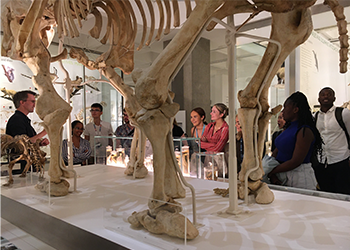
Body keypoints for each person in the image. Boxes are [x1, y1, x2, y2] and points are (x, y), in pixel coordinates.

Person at [262, 91, 322, 190]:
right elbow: (276, 152)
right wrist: (272, 172)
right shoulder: (287, 128)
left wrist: (272, 171)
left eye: (286, 107)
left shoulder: (304, 130)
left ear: (295, 110)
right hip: (282, 174)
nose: (283, 111)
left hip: (299, 177)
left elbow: (296, 161)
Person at [314, 87, 350, 195]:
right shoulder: (315, 117)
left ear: (334, 98)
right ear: (318, 99)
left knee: (343, 194)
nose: (325, 96)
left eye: (329, 94)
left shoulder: (344, 113)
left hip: (341, 160)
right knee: (326, 194)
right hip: (322, 162)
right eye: (323, 95)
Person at [6, 90, 49, 174]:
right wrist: (45, 131)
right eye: (32, 101)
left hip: (29, 167)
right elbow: (22, 144)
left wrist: (39, 143)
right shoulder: (17, 120)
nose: (34, 104)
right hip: (23, 168)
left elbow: (29, 141)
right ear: (22, 102)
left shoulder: (23, 120)